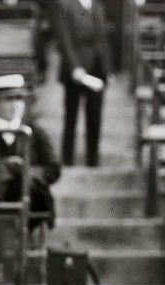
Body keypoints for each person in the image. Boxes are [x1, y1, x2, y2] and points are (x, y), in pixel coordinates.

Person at [0, 74, 61, 231]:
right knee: (7, 166)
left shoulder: (35, 132)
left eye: (19, 99)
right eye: (8, 99)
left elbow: (53, 169)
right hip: (1, 208)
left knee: (12, 166)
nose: (15, 105)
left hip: (31, 198)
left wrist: (25, 171)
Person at [52, 0, 111, 167]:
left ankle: (92, 158)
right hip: (75, 69)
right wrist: (74, 67)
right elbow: (64, 40)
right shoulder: (66, 6)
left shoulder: (98, 6)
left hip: (96, 68)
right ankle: (67, 159)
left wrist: (107, 68)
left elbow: (102, 39)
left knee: (94, 116)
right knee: (71, 117)